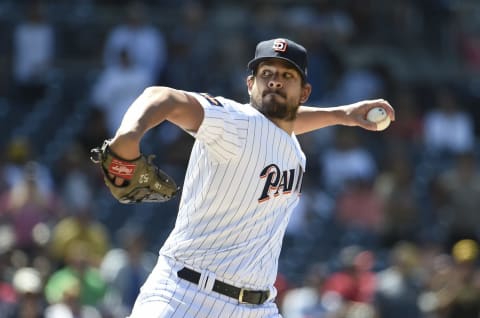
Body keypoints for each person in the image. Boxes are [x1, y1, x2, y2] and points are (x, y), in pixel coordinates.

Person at [104, 38, 395, 317]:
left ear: (304, 93)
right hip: (186, 294)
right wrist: (129, 135)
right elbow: (161, 96)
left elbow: (284, 123)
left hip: (256, 307)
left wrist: (342, 114)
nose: (275, 81)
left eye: (286, 76)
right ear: (249, 84)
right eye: (266, 73)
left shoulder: (291, 143)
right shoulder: (235, 122)